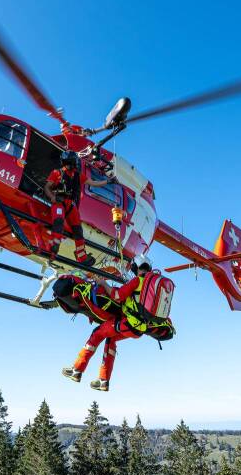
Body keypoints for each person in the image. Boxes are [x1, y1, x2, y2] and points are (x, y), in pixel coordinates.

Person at [62, 261, 171, 392]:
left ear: (136, 268)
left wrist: (103, 283)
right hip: (139, 330)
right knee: (111, 339)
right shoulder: (152, 288)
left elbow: (117, 296)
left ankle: (77, 370)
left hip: (128, 325)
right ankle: (103, 381)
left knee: (97, 333)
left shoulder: (137, 281)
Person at [44, 150, 112, 265]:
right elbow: (47, 187)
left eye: (72, 163)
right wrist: (53, 198)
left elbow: (93, 183)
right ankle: (53, 249)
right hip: (59, 202)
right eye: (68, 163)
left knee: (78, 230)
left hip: (71, 205)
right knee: (58, 222)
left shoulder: (78, 176)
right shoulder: (56, 173)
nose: (70, 165)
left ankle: (81, 257)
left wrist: (108, 181)